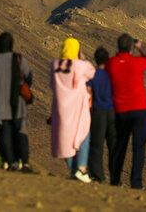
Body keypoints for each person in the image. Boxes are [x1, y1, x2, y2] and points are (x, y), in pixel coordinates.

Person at [105, 34, 146, 189]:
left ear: (118, 46)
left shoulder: (111, 63)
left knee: (120, 147)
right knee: (139, 148)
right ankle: (136, 183)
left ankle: (115, 180)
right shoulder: (137, 62)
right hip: (140, 111)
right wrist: (140, 48)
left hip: (120, 112)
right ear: (131, 47)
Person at [50, 37, 95, 183]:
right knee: (83, 136)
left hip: (61, 109)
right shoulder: (80, 66)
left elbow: (52, 85)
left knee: (65, 140)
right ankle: (81, 169)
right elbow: (92, 73)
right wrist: (82, 59)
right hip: (78, 109)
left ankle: (73, 171)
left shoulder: (55, 65)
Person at [0, 32, 33, 172]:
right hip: (18, 104)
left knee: (5, 134)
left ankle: (10, 162)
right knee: (21, 133)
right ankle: (24, 163)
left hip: (1, 105)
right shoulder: (20, 59)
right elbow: (29, 78)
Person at [87, 46, 117, 183]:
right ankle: (115, 178)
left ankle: (98, 176)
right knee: (114, 146)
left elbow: (87, 90)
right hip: (113, 113)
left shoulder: (93, 74)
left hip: (98, 112)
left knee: (97, 145)